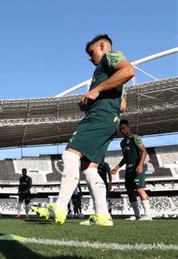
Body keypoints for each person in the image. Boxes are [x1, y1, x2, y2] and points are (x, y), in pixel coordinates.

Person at [32, 34, 135, 226]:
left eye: (91, 52)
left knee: (70, 156)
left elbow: (129, 71)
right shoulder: (112, 78)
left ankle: (60, 207)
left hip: (98, 119)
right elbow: (122, 106)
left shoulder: (110, 57)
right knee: (90, 170)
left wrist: (96, 90)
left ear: (103, 46)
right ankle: (103, 216)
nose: (90, 57)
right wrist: (90, 101)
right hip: (110, 121)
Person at [111, 119, 152, 221]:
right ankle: (137, 215)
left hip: (137, 167)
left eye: (124, 128)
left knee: (139, 189)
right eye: (120, 129)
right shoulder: (122, 143)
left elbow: (144, 151)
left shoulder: (135, 138)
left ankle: (148, 215)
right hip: (128, 169)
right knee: (129, 191)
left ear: (128, 127)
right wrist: (117, 167)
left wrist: (140, 164)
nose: (122, 130)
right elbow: (125, 157)